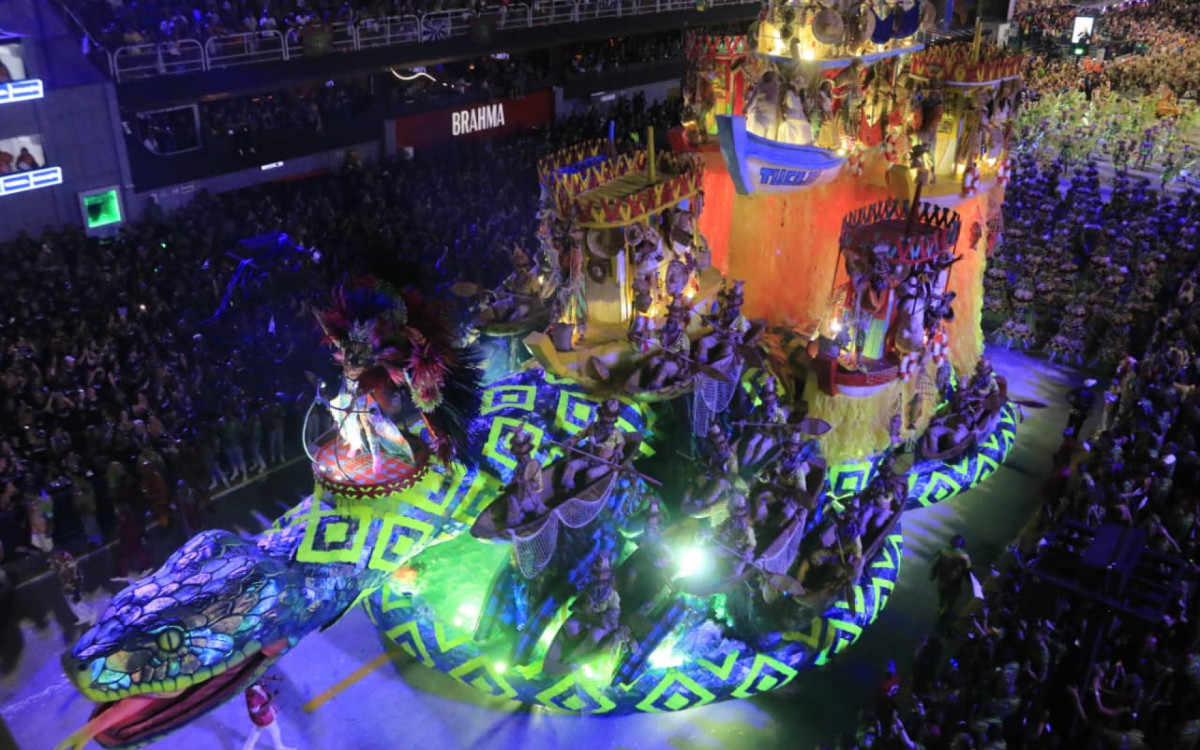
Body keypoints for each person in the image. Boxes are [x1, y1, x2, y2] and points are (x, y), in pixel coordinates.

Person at [242, 677, 296, 750]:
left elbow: (262, 679)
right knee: (275, 730)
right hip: (263, 717)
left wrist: (275, 678)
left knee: (257, 730)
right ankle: (279, 747)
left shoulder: (255, 685)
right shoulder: (253, 696)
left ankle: (247, 748)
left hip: (261, 718)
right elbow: (257, 711)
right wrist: (272, 699)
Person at [930, 534, 972, 618]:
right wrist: (969, 579)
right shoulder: (964, 557)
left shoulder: (943, 552)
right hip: (955, 582)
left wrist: (933, 575)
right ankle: (947, 609)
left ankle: (941, 607)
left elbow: (936, 564)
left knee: (942, 595)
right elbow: (968, 569)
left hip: (943, 580)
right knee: (952, 597)